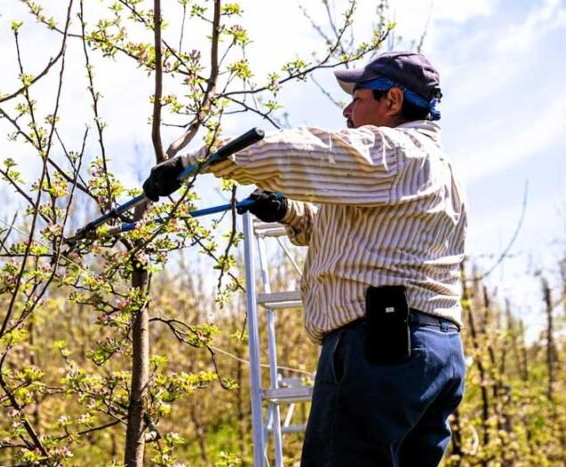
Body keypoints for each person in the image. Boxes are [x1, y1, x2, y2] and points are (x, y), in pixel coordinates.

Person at [142, 51, 467, 467]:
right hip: (435, 353)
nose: (348, 112)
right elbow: (366, 239)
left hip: (380, 349)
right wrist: (287, 212)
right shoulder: (439, 170)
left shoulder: (391, 151)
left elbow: (303, 152)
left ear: (393, 101)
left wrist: (196, 160)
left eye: (358, 98)